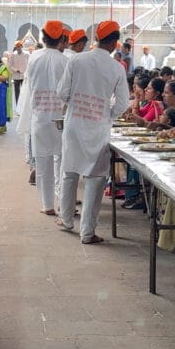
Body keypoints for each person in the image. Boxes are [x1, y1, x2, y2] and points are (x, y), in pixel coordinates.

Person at [56, 21, 130, 245]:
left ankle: (66, 220)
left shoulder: (77, 59)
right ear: (115, 42)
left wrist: (77, 106)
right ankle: (87, 233)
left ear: (96, 39)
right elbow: (123, 103)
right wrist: (107, 115)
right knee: (95, 180)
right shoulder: (117, 67)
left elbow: (62, 92)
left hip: (74, 125)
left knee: (69, 172)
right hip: (98, 128)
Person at [27, 20, 70, 217]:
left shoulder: (34, 58)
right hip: (60, 117)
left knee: (42, 161)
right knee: (60, 161)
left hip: (39, 116)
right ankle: (62, 203)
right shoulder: (65, 60)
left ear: (43, 39)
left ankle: (47, 205)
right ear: (61, 39)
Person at [8, 41, 30, 106]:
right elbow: (10, 65)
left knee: (24, 91)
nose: (18, 48)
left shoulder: (27, 54)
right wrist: (15, 70)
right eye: (17, 47)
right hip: (16, 76)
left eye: (19, 47)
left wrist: (26, 71)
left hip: (24, 76)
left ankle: (24, 105)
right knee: (17, 92)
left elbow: (29, 64)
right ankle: (18, 106)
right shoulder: (13, 55)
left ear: (22, 47)